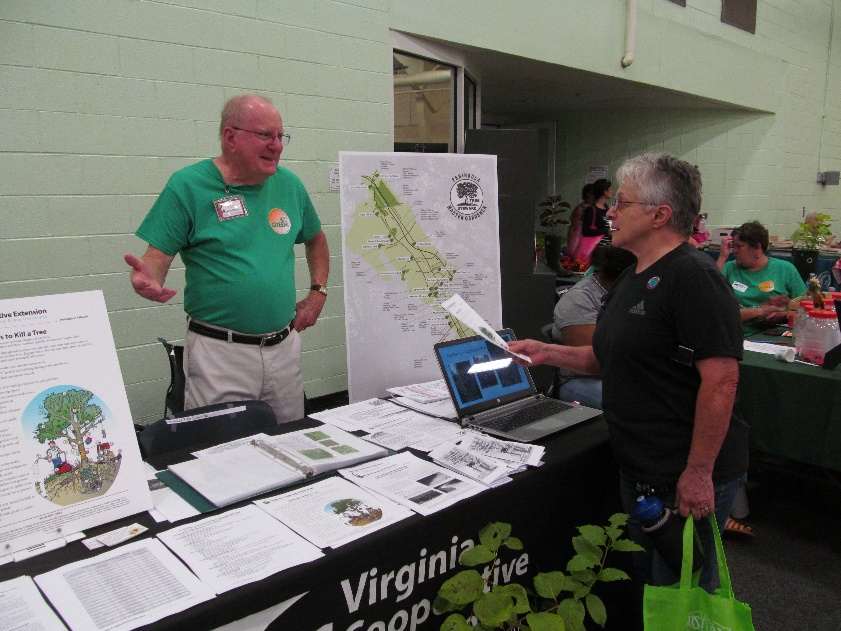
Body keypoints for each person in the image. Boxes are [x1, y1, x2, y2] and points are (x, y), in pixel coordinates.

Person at [508, 153, 748, 593]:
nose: (611, 213)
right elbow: (608, 358)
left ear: (660, 215)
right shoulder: (635, 273)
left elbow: (722, 380)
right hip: (641, 463)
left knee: (683, 592)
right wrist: (546, 351)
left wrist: (697, 473)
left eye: (623, 202)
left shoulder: (692, 277)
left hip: (681, 469)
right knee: (649, 583)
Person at [125, 94, 329, 423]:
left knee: (290, 443)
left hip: (284, 348)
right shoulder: (188, 186)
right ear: (230, 138)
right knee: (223, 453)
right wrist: (148, 277)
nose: (276, 146)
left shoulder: (289, 185)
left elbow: (316, 238)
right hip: (220, 354)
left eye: (280, 136)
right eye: (265, 135)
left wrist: (318, 291)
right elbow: (156, 257)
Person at [549, 245, 636, 409]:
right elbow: (594, 363)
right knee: (637, 404)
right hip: (580, 380)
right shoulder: (578, 300)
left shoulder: (628, 293)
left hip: (622, 373)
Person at [717, 221, 806, 338]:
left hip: (771, 336)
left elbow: (806, 306)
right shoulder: (728, 267)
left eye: (739, 246)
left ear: (757, 248)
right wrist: (723, 256)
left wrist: (783, 314)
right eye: (734, 246)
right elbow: (709, 294)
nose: (734, 251)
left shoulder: (785, 269)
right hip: (735, 335)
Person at [567, 179, 612, 262]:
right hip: (592, 248)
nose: (612, 191)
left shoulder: (606, 208)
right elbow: (581, 230)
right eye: (610, 189)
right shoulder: (588, 209)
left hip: (605, 248)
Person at [564, 183, 595, 260]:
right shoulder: (580, 209)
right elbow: (573, 228)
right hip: (579, 242)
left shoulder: (593, 208)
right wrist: (571, 247)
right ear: (589, 194)